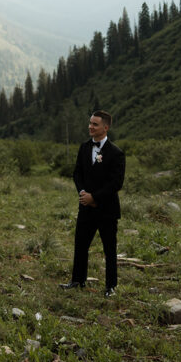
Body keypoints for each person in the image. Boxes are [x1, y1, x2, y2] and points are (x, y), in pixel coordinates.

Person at [60, 109, 125, 297]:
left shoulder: (116, 153)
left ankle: (111, 287)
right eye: (90, 123)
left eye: (95, 124)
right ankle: (77, 280)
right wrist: (82, 193)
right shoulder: (84, 147)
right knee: (80, 245)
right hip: (86, 208)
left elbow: (116, 183)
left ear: (106, 127)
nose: (90, 126)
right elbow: (77, 173)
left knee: (109, 249)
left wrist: (94, 197)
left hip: (107, 210)